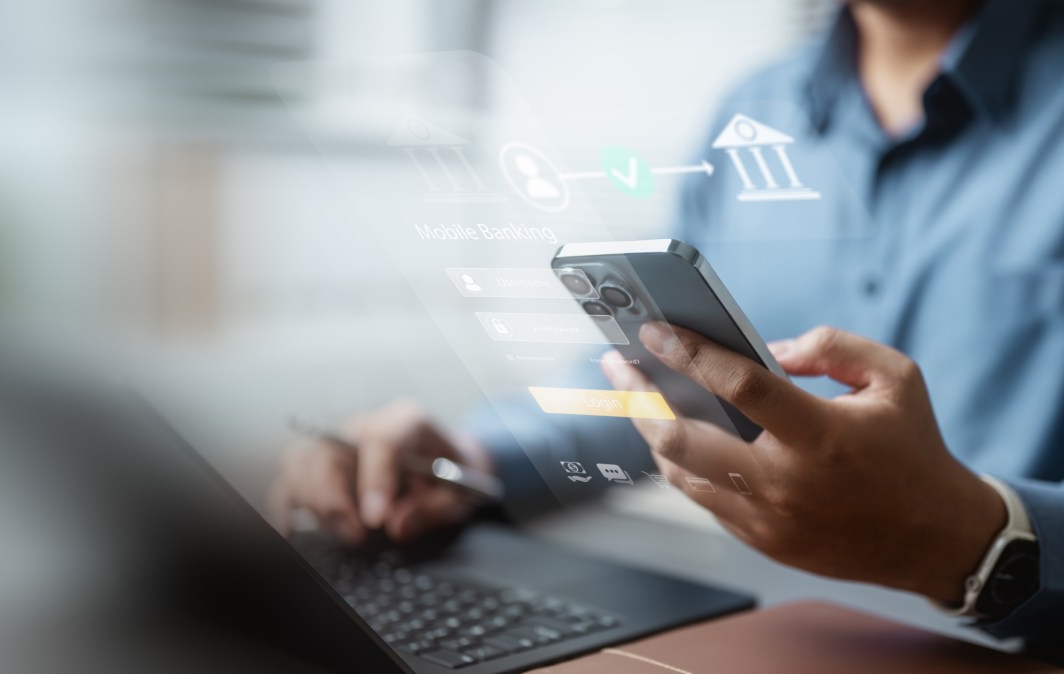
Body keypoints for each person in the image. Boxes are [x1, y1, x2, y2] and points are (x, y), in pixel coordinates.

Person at [269, 0, 1064, 643]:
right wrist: (468, 458)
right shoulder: (753, 109)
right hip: (762, 634)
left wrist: (964, 536)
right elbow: (669, 376)